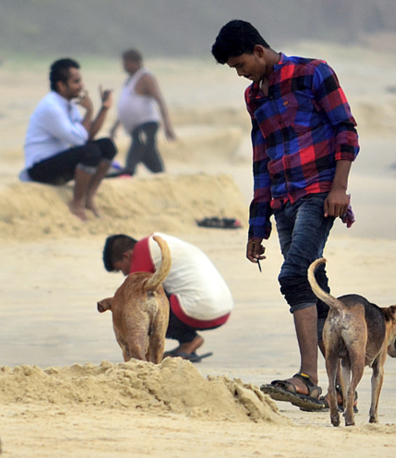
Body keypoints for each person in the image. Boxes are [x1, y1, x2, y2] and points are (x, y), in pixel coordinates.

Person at [212, 20, 358, 411]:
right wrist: (256, 226)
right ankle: (342, 387)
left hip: (320, 192)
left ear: (258, 51)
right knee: (315, 283)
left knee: (294, 276)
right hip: (282, 199)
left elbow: (346, 131)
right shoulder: (253, 97)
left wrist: (339, 189)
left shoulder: (314, 72)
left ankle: (308, 379)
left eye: (241, 64)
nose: (240, 73)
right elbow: (263, 160)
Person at [103, 233, 233, 362]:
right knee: (156, 294)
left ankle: (160, 352)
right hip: (223, 309)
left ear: (126, 256)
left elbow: (134, 297)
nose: (124, 274)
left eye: (120, 268)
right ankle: (188, 342)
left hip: (198, 310)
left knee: (140, 307)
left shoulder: (143, 250)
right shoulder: (159, 242)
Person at [22, 58, 117, 221]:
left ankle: (88, 198)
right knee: (91, 151)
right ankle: (77, 203)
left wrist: (104, 108)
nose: (82, 86)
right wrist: (89, 112)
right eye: (76, 81)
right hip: (39, 169)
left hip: (58, 162)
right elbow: (81, 141)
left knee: (108, 146)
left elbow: (87, 136)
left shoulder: (69, 104)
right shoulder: (51, 107)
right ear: (61, 85)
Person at [108, 49, 177, 176]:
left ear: (134, 62)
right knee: (150, 158)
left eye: (125, 62)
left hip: (147, 125)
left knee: (133, 156)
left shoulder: (145, 77)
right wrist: (115, 127)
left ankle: (126, 175)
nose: (123, 66)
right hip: (136, 129)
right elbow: (126, 107)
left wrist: (168, 126)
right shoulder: (130, 80)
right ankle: (164, 178)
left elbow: (160, 101)